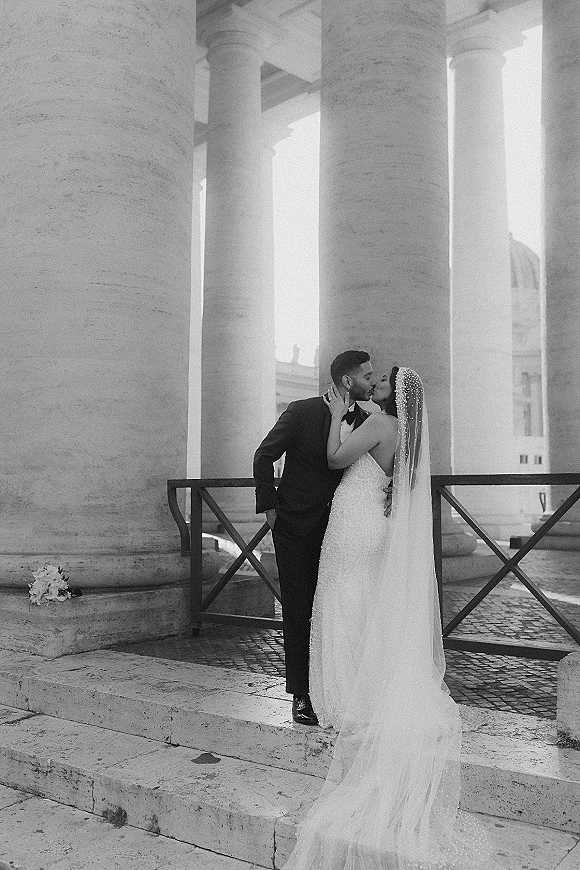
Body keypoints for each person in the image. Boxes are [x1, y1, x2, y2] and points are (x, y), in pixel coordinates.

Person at [284, 367, 488, 870]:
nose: (371, 388)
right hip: (374, 521)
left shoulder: (378, 427)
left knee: (340, 598)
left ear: (393, 397)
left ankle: (343, 690)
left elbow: (335, 459)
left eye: (379, 385)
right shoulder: (407, 436)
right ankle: (363, 684)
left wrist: (335, 417)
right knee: (360, 601)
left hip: (352, 523)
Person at [253, 350, 377, 725]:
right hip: (294, 527)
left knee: (334, 606)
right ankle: (301, 695)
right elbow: (263, 456)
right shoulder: (301, 411)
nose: (373, 381)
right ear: (347, 381)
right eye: (367, 376)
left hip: (341, 528)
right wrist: (271, 510)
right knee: (298, 608)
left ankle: (332, 686)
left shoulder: (368, 420)